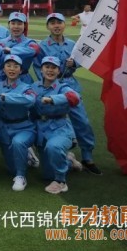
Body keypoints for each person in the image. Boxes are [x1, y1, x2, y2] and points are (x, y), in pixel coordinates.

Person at [34, 13, 101, 175]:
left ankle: (87, 155)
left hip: (70, 85)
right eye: (52, 23)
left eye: (59, 23)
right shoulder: (43, 45)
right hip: (51, 87)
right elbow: (38, 67)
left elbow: (81, 60)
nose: (56, 26)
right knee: (53, 120)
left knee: (81, 120)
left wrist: (74, 63)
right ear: (47, 27)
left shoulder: (72, 44)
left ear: (64, 25)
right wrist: (46, 86)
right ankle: (57, 151)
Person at [31, 56, 84, 194]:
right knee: (47, 175)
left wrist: (53, 99)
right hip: (41, 129)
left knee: (53, 146)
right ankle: (69, 160)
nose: (50, 70)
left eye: (53, 68)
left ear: (59, 71)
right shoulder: (34, 86)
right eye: (47, 67)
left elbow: (75, 98)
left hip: (59, 128)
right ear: (41, 69)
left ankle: (61, 181)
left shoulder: (63, 87)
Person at [0, 55, 37, 192]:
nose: (12, 69)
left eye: (15, 66)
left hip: (23, 127)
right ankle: (27, 157)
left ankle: (21, 176)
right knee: (11, 168)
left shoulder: (26, 87)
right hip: (4, 128)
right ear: (3, 69)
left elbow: (30, 100)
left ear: (21, 70)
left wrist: (7, 97)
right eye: (8, 65)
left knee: (18, 143)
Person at [0, 12, 40, 84]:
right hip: (4, 80)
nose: (16, 26)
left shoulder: (30, 43)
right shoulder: (1, 43)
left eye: (19, 24)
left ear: (24, 26)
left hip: (24, 80)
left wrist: (11, 50)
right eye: (13, 23)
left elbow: (34, 50)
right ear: (9, 25)